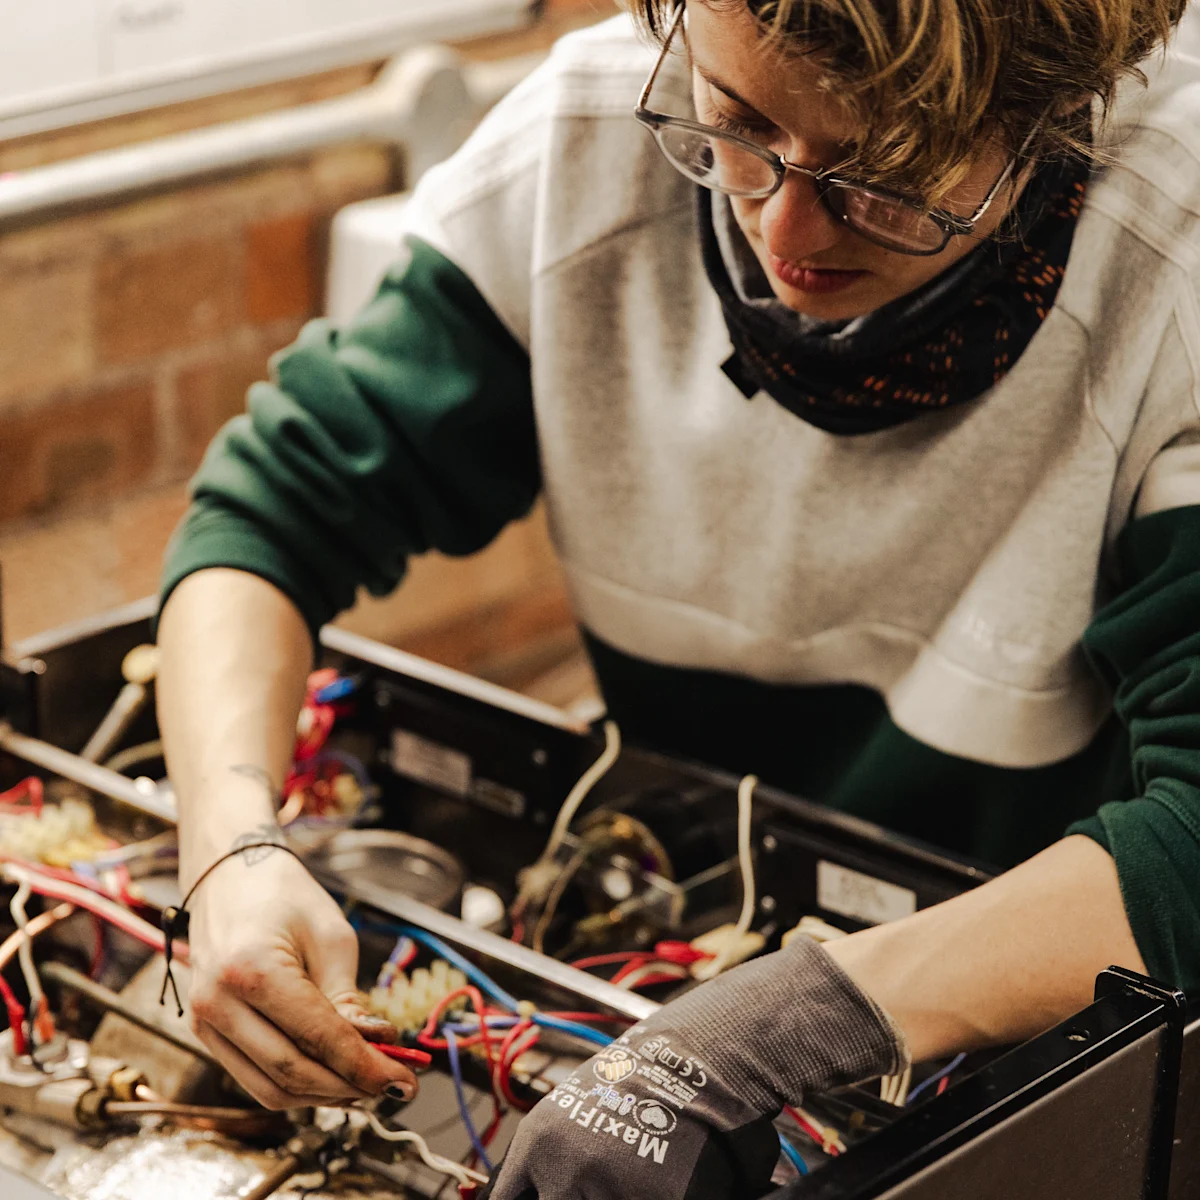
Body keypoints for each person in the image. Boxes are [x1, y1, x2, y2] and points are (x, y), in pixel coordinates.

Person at [155, 0, 1199, 1192]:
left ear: (1060, 113)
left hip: (1048, 1001)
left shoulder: (1179, 252)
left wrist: (773, 1035)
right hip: (687, 920)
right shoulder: (578, 147)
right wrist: (230, 850)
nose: (785, 225)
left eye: (890, 173)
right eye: (735, 127)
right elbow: (267, 514)